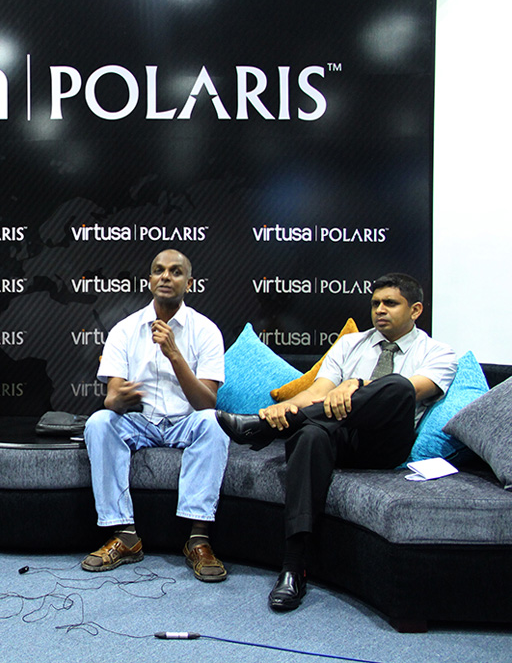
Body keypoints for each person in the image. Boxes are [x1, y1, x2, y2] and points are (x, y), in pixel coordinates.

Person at [217, 273, 457, 611]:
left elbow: (413, 392)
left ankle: (262, 430)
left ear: (415, 310)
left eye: (390, 303)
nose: (380, 310)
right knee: (310, 435)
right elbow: (317, 392)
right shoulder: (349, 344)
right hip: (338, 435)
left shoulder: (439, 353)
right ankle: (293, 567)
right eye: (375, 303)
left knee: (398, 386)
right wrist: (282, 410)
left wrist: (354, 384)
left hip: (385, 443)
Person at [82, 249, 230, 582]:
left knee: (215, 422)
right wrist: (119, 398)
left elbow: (206, 403)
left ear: (188, 283)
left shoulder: (206, 331)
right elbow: (111, 399)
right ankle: (125, 535)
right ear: (149, 280)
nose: (166, 276)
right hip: (142, 422)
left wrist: (174, 354)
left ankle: (198, 539)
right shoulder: (125, 329)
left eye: (176, 272)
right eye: (159, 270)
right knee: (99, 423)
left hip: (187, 421)